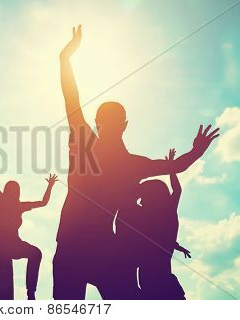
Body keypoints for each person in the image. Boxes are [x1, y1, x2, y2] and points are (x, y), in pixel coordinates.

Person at [54, 25, 220, 299]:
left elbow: (71, 99)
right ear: (125, 125)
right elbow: (175, 166)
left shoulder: (93, 146)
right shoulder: (128, 162)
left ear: (100, 124)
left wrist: (65, 58)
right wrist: (195, 152)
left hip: (81, 246)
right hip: (90, 247)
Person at [0, 153, 58, 300]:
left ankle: (30, 292)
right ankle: (23, 297)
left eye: (15, 191)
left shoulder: (19, 206)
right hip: (3, 245)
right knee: (7, 289)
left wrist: (50, 186)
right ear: (8, 192)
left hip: (14, 243)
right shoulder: (2, 200)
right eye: (11, 190)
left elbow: (43, 202)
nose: (13, 193)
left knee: (36, 253)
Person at [136, 149, 191, 299]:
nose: (141, 201)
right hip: (154, 279)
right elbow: (160, 239)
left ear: (154, 196)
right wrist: (171, 167)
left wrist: (172, 167)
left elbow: (177, 190)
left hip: (156, 280)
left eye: (143, 197)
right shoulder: (161, 216)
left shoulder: (165, 213)